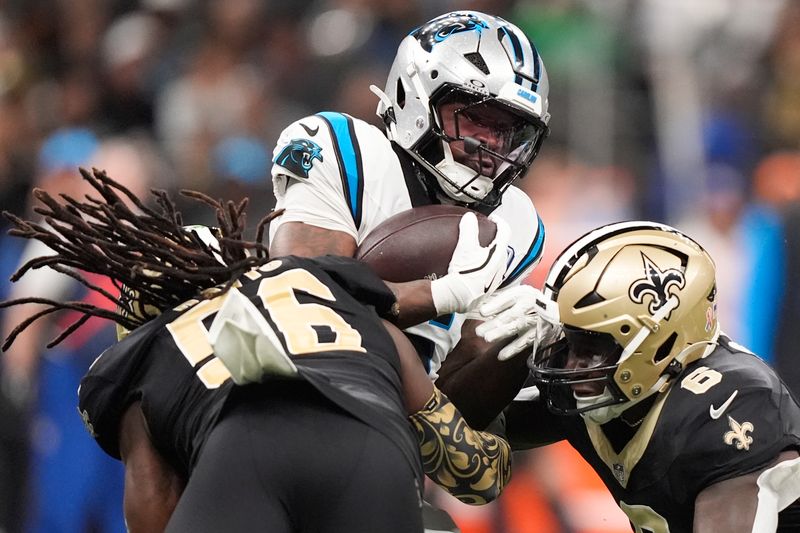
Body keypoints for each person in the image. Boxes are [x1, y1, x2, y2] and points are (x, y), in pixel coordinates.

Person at [1, 168, 513, 532]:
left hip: (245, 457)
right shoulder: (332, 291)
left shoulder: (146, 355)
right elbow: (473, 469)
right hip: (375, 459)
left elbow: (154, 512)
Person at [267, 10, 551, 428]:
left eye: (508, 133)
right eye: (475, 118)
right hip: (285, 406)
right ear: (416, 96)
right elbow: (300, 302)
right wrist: (437, 295)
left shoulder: (517, 223)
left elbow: (453, 415)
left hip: (389, 440)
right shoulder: (342, 148)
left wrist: (513, 348)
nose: (491, 145)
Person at [484, 221, 800, 532]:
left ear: (659, 343)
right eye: (570, 342)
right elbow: (464, 435)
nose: (572, 367)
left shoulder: (729, 404)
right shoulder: (607, 385)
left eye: (593, 348)